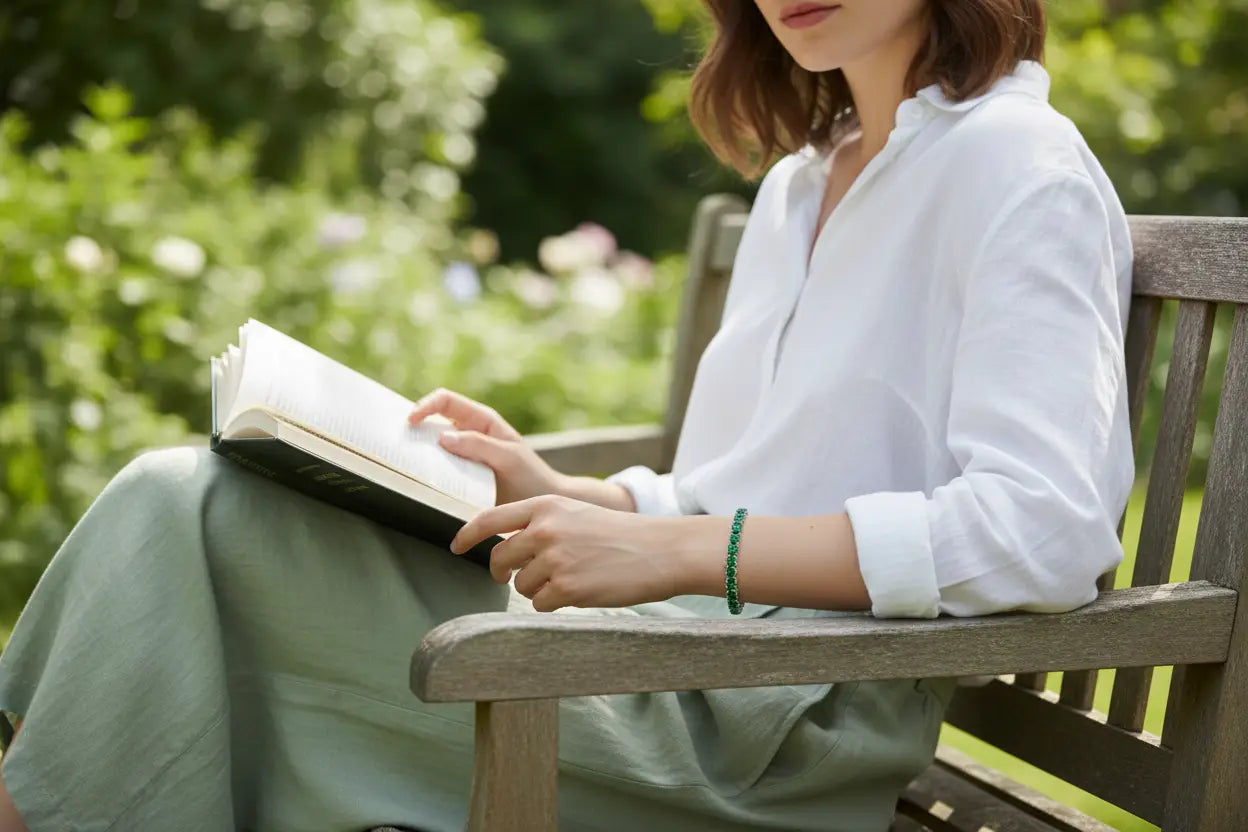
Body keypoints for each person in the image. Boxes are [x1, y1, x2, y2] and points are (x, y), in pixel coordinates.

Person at [0, 0, 1135, 829]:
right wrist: (557, 491)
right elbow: (727, 491)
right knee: (201, 499)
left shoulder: (1018, 167)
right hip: (679, 654)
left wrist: (673, 548)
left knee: (182, 515)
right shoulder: (806, 175)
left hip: (773, 729)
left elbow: (1046, 527)